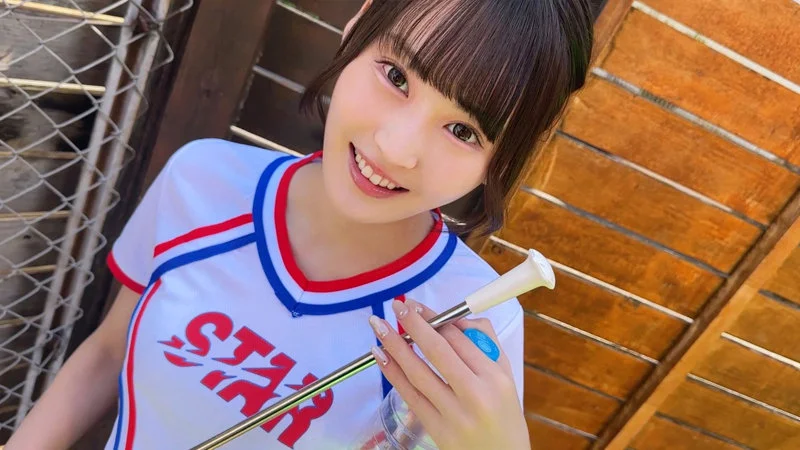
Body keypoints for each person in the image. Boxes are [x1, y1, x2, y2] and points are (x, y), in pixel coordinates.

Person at [5, 0, 593, 448]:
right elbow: (107, 354)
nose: (396, 148)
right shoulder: (201, 181)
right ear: (358, 23)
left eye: (463, 131)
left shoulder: (477, 317)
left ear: (503, 159)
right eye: (396, 76)